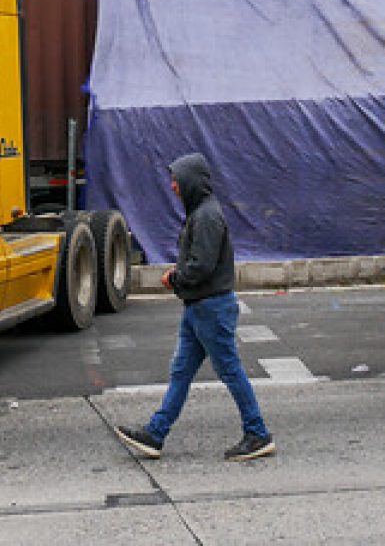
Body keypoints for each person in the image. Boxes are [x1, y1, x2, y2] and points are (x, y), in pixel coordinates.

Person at [115, 152, 275, 462]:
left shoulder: (207, 217)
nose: (173, 186)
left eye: (176, 180)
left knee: (229, 370)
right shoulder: (201, 213)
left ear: (190, 182)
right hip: (199, 307)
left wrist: (175, 277)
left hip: (211, 307)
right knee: (181, 372)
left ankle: (257, 433)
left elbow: (201, 265)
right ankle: (155, 433)